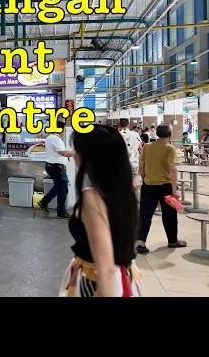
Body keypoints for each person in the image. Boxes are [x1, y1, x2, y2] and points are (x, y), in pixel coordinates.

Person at [59, 125, 142, 297]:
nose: (75, 154)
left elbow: (106, 270)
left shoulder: (92, 197)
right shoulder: (124, 190)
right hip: (125, 277)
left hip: (96, 283)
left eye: (78, 150)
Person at [136, 124, 186, 253]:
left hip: (148, 186)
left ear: (157, 134)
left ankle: (141, 243)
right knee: (169, 215)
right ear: (170, 135)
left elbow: (141, 166)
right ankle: (172, 241)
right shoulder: (170, 149)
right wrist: (174, 190)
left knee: (145, 215)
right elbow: (172, 169)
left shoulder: (147, 147)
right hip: (165, 187)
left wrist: (145, 178)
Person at [38, 121, 75, 218]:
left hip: (53, 166)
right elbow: (64, 153)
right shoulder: (55, 138)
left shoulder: (50, 137)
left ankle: (44, 202)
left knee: (59, 187)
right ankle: (61, 212)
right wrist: (76, 153)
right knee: (63, 189)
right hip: (57, 167)